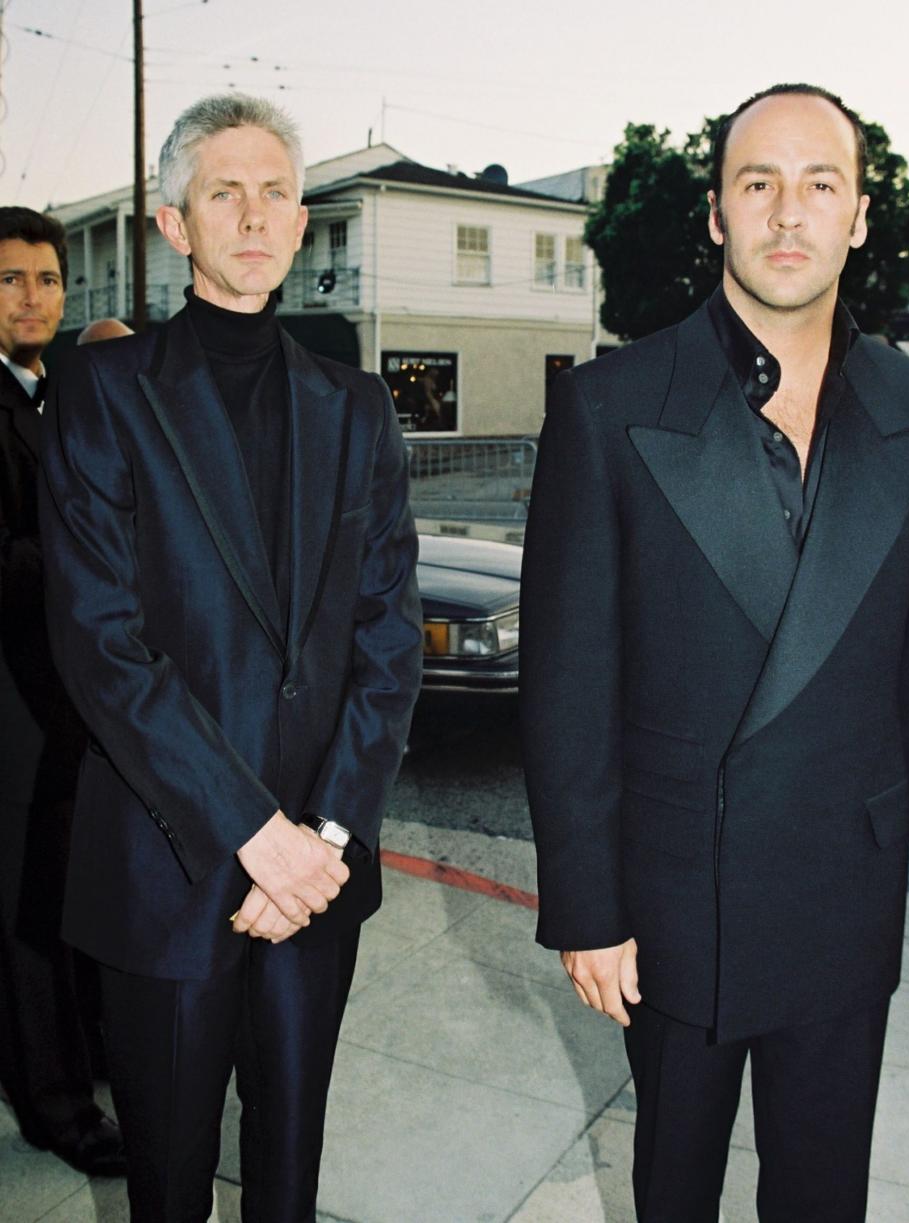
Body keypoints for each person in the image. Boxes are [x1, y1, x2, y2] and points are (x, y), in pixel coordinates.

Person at [520, 83, 909, 1223]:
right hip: (673, 898)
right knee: (674, 1192)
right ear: (715, 214)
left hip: (844, 885)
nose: (786, 213)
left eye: (820, 184)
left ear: (862, 217)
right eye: (756, 183)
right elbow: (567, 680)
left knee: (824, 1196)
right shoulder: (610, 406)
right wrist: (584, 900)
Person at [39, 94, 422, 1222]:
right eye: (223, 192)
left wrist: (328, 838)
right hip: (173, 864)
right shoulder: (104, 393)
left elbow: (387, 641)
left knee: (288, 1180)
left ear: (303, 223)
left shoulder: (356, 408)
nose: (252, 214)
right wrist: (260, 839)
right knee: (168, 1183)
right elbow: (101, 643)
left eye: (274, 192)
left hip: (319, 870)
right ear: (173, 223)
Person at [0, 206, 126, 1176]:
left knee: (72, 896)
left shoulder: (65, 392)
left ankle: (88, 1063)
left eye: (47, 279)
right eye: (11, 279)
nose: (34, 296)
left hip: (78, 707)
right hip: (11, 710)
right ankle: (53, 1103)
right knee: (28, 916)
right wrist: (95, 562)